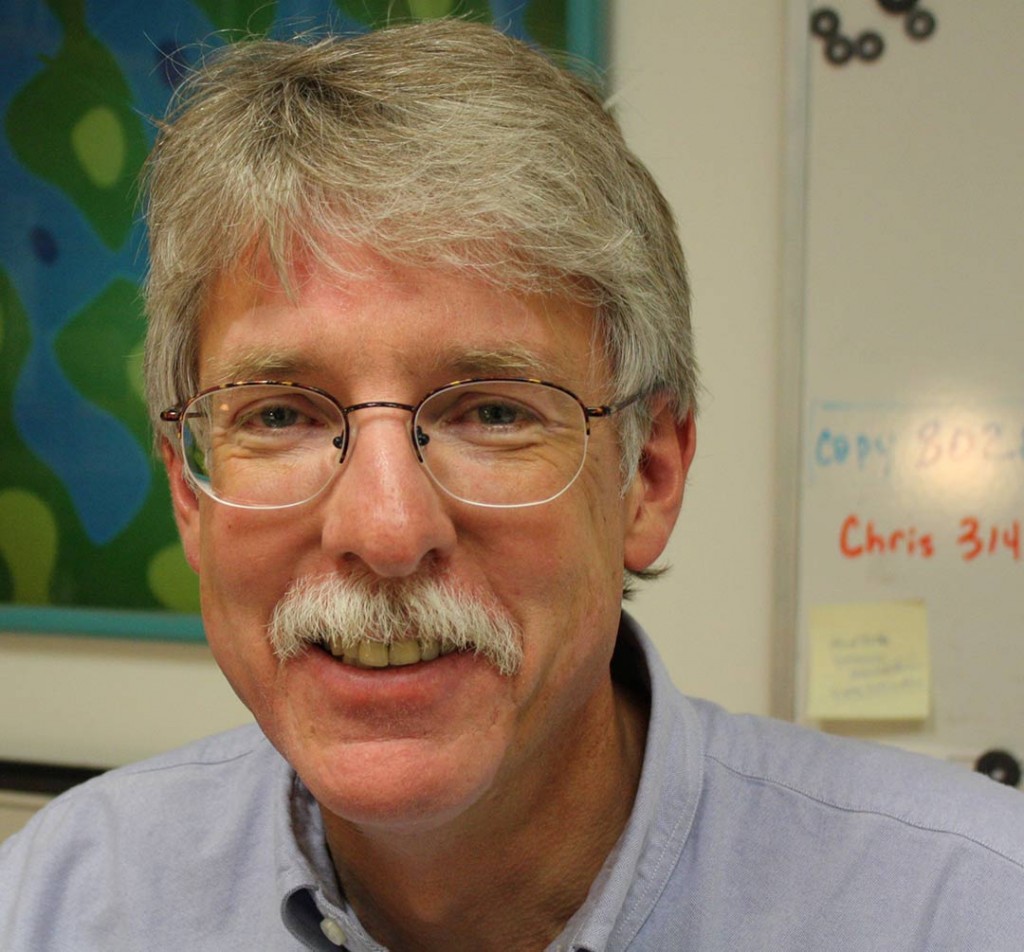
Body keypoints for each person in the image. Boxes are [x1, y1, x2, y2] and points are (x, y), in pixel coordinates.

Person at [2, 18, 1022, 952]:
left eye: (491, 411)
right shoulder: (62, 902)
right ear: (192, 494)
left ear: (648, 476)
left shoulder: (967, 904)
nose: (386, 528)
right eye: (280, 415)